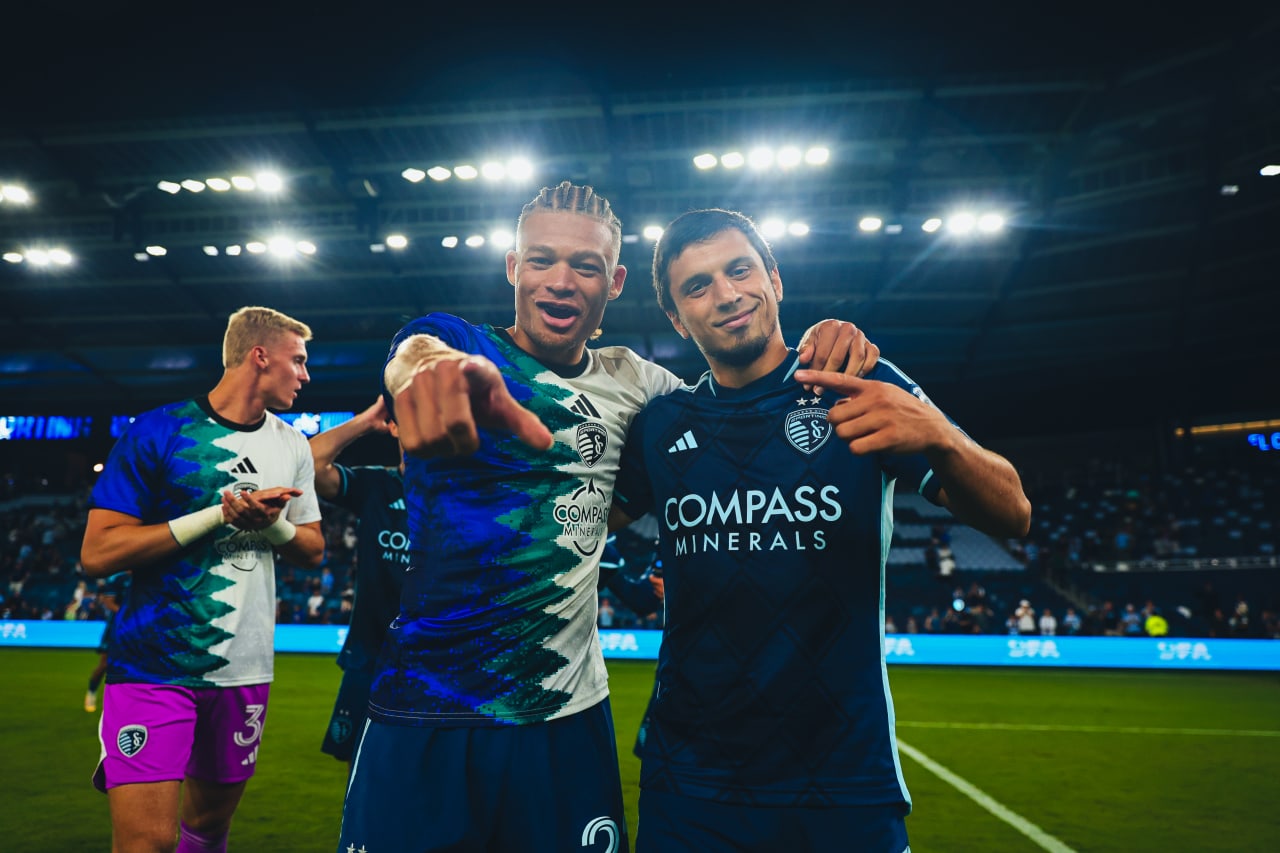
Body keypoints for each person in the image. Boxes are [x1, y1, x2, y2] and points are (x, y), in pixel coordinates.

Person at [336, 181, 877, 853]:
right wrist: (425, 371)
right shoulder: (458, 343)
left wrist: (823, 338)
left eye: (584, 266)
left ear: (614, 281)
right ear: (513, 267)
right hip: (424, 710)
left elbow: (738, 407)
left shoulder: (639, 385)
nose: (560, 281)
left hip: (567, 720)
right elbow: (415, 351)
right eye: (541, 260)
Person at [610, 208, 1031, 852]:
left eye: (739, 270)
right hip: (689, 783)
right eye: (696, 286)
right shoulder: (661, 426)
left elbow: (1013, 512)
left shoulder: (853, 384)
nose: (725, 295)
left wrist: (940, 436)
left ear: (774, 279)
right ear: (676, 317)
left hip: (842, 780)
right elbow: (575, 527)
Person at [80, 306, 325, 853]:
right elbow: (98, 553)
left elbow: (313, 548)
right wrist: (220, 515)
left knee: (209, 829)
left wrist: (273, 525)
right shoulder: (159, 431)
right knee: (147, 842)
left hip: (245, 669)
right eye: (299, 360)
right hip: (153, 664)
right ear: (260, 356)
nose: (306, 375)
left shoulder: (292, 446)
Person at [308, 396, 405, 773]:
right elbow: (310, 463)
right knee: (362, 773)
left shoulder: (462, 494)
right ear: (393, 426)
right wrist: (366, 420)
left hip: (439, 662)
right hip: (371, 657)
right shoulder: (376, 485)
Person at [84, 573, 128, 713]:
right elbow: (108, 601)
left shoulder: (146, 574)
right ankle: (91, 692)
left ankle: (126, 702)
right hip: (116, 626)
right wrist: (128, 614)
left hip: (138, 627)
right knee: (105, 664)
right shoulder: (117, 579)